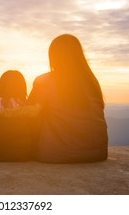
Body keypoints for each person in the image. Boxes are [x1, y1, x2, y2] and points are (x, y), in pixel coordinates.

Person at [28, 34, 108, 163]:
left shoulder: (45, 81)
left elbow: (29, 115)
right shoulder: (91, 81)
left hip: (55, 154)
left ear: (53, 57)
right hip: (97, 154)